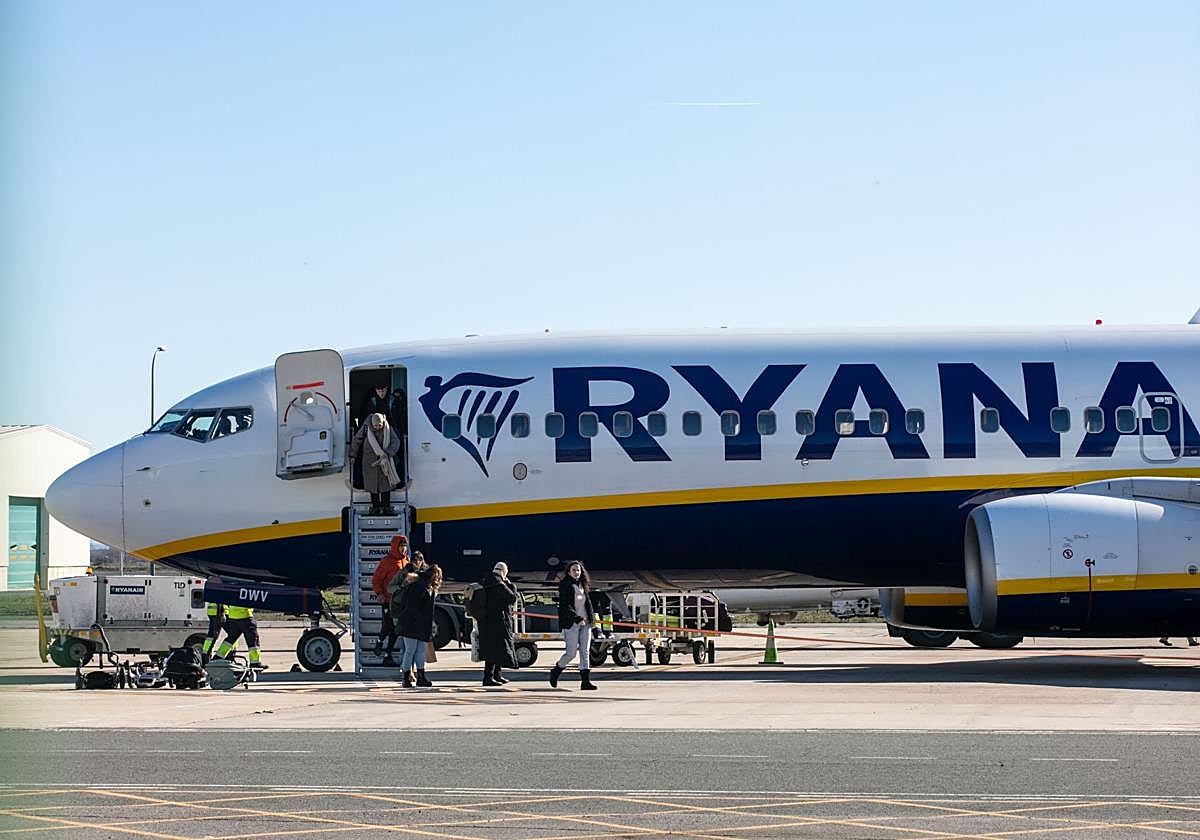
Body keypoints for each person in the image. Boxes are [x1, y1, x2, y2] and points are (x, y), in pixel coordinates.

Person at [549, 561, 597, 690]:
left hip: (585, 623)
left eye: (578, 570)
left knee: (585, 651)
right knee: (571, 653)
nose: (577, 572)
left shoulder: (583, 584)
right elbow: (565, 606)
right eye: (574, 570)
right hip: (572, 622)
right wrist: (576, 618)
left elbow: (588, 604)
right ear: (569, 572)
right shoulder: (565, 585)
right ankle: (556, 670)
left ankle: (585, 682)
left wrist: (591, 620)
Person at [396, 563, 443, 687]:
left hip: (415, 623)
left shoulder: (422, 585)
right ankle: (410, 677)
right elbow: (412, 607)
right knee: (413, 650)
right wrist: (421, 620)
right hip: (413, 623)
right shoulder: (422, 587)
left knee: (416, 650)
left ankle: (416, 677)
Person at [350, 413, 401, 515]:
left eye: (380, 425)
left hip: (385, 460)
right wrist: (352, 455)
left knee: (386, 485)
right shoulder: (365, 429)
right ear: (372, 424)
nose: (378, 427)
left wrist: (389, 452)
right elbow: (356, 441)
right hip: (370, 462)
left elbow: (396, 442)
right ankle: (375, 507)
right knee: (372, 486)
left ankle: (386, 507)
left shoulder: (388, 428)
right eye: (376, 425)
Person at [478, 561, 519, 686]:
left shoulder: (487, 581)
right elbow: (512, 598)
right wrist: (510, 584)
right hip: (497, 621)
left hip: (488, 620)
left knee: (497, 648)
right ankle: (488, 677)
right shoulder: (499, 584)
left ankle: (497, 675)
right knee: (495, 649)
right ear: (504, 572)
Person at [371, 534, 408, 665]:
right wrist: (379, 593)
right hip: (387, 600)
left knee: (397, 629)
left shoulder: (406, 562)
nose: (403, 549)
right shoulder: (386, 561)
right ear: (394, 546)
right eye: (401, 546)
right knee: (387, 625)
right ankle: (379, 642)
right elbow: (376, 579)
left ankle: (388, 655)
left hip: (400, 602)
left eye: (404, 546)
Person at [213, 604, 266, 670]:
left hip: (233, 616)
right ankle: (255, 663)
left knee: (231, 639)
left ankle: (218, 657)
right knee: (253, 640)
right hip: (245, 616)